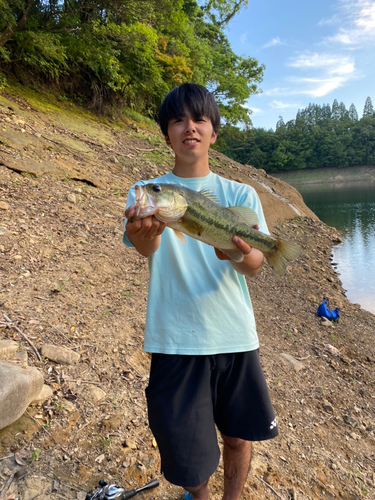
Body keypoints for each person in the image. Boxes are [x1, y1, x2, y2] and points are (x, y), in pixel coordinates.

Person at [123, 83, 278, 500]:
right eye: (178, 120)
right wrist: (143, 232)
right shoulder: (148, 191)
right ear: (166, 133)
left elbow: (255, 265)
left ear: (212, 133)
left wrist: (238, 255)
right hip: (175, 339)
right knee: (187, 450)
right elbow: (146, 246)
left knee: (238, 437)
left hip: (235, 336)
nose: (189, 127)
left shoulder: (241, 195)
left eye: (199, 120)